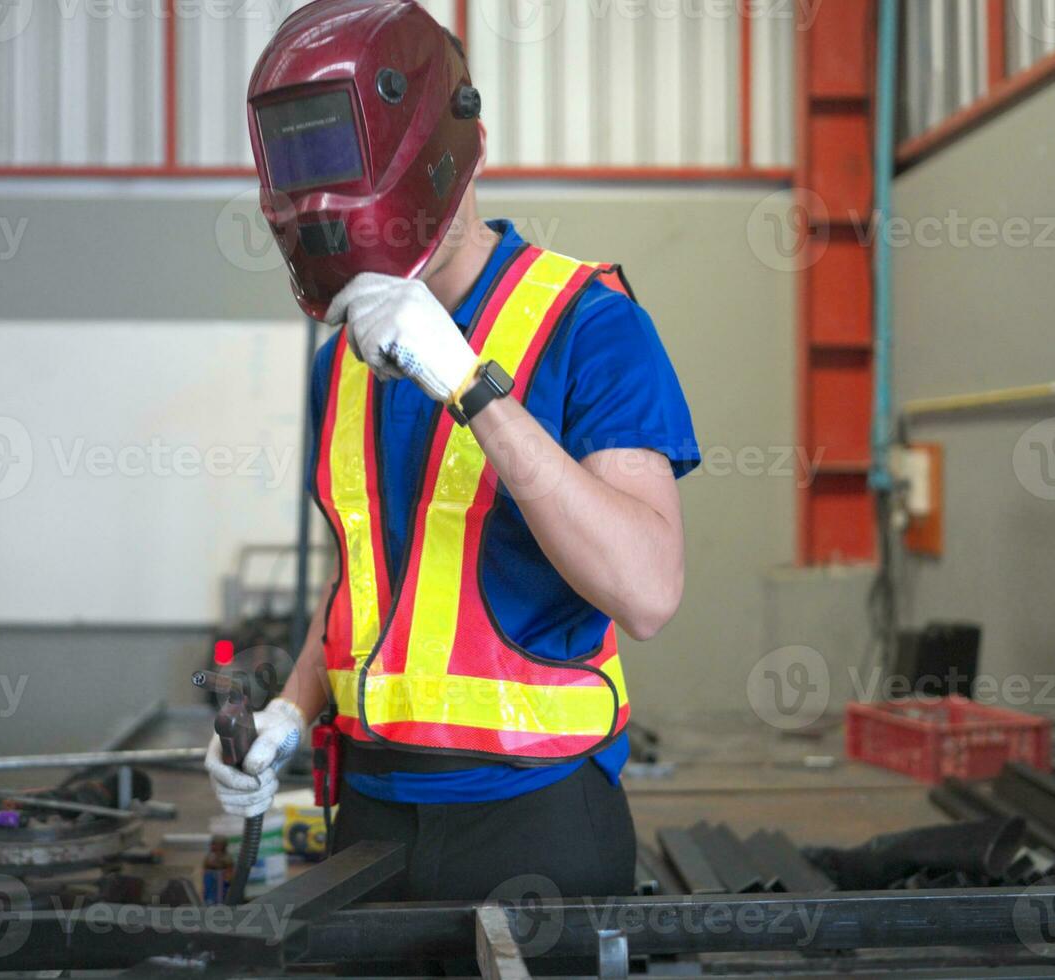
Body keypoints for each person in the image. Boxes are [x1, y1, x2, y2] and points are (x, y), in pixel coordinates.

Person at [206, 0, 698, 907]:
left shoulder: (591, 326)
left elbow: (648, 590)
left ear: (448, 141)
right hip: (371, 815)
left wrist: (470, 384)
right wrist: (291, 710)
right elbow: (373, 576)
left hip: (539, 821)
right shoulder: (344, 360)